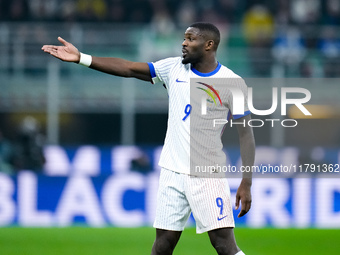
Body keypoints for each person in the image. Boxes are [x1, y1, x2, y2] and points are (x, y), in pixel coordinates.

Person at [42, 22, 255, 255]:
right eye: (184, 38)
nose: (183, 43)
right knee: (162, 245)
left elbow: (246, 134)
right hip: (171, 172)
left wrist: (246, 182)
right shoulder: (174, 68)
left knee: (224, 245)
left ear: (209, 45)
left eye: (190, 39)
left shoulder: (231, 82)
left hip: (206, 174)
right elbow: (130, 68)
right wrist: (82, 57)